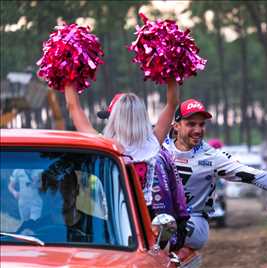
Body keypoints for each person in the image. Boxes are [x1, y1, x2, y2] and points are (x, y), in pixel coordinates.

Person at [64, 80, 190, 250]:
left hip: (113, 218)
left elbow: (74, 108)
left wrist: (68, 75)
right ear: (142, 117)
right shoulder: (153, 143)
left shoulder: (103, 146)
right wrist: (171, 71)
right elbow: (172, 103)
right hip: (146, 217)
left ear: (114, 117)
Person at [163, 98, 267, 249]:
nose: (198, 130)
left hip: (194, 220)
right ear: (176, 126)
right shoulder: (159, 150)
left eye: (201, 124)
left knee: (165, 230)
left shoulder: (212, 157)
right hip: (162, 216)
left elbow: (256, 175)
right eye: (191, 124)